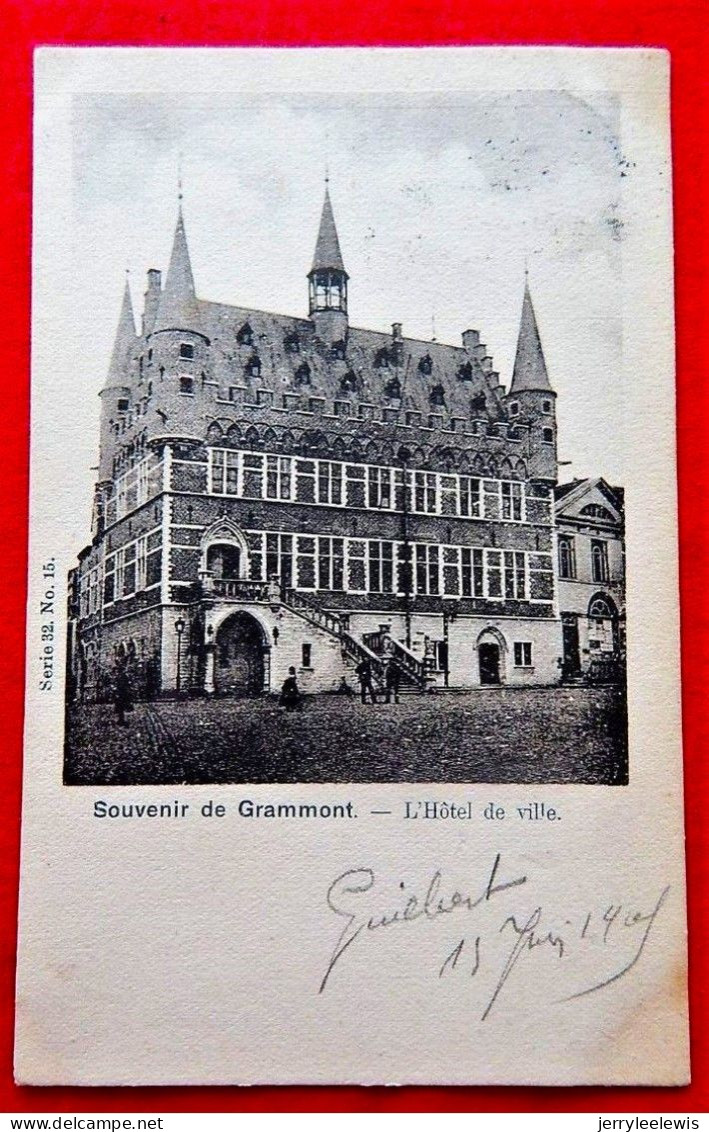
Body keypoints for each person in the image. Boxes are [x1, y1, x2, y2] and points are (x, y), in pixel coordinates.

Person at [114, 662, 133, 726]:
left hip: (122, 693)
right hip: (122, 693)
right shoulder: (122, 676)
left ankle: (121, 720)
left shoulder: (121, 676)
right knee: (121, 708)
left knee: (121, 708)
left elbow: (122, 685)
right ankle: (121, 720)